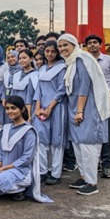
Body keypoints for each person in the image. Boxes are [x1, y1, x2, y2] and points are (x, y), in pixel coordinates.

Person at [58, 34, 110, 196]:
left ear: (74, 45)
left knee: (88, 146)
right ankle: (83, 177)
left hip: (88, 109)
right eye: (60, 46)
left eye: (65, 45)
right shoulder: (71, 62)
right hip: (76, 109)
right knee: (78, 144)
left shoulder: (82, 59)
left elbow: (84, 86)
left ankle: (92, 182)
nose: (62, 49)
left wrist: (80, 110)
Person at [0, 96, 52, 203]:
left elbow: (26, 158)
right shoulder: (6, 128)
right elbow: (1, 151)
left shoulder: (29, 131)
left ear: (22, 109)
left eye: (13, 108)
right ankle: (8, 187)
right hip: (4, 170)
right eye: (7, 108)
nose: (9, 111)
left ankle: (21, 189)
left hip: (21, 171)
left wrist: (4, 168)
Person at [85, 34, 110, 179]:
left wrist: (108, 91)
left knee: (106, 133)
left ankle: (106, 165)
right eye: (89, 43)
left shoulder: (109, 60)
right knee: (91, 133)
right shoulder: (84, 61)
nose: (92, 45)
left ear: (100, 45)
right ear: (86, 46)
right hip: (88, 101)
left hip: (105, 100)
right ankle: (94, 163)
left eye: (95, 42)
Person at [32, 40, 67, 185]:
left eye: (53, 51)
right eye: (47, 51)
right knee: (41, 140)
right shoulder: (41, 69)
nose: (50, 54)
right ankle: (43, 170)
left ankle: (55, 173)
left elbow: (61, 91)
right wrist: (37, 108)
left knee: (56, 141)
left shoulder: (62, 68)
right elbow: (38, 90)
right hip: (41, 109)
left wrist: (49, 108)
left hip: (56, 108)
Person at [10, 50, 39, 118]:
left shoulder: (35, 75)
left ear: (31, 59)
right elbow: (13, 92)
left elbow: (30, 95)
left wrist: (28, 113)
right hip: (15, 106)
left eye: (24, 58)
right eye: (20, 58)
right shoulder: (16, 74)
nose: (22, 60)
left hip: (29, 107)